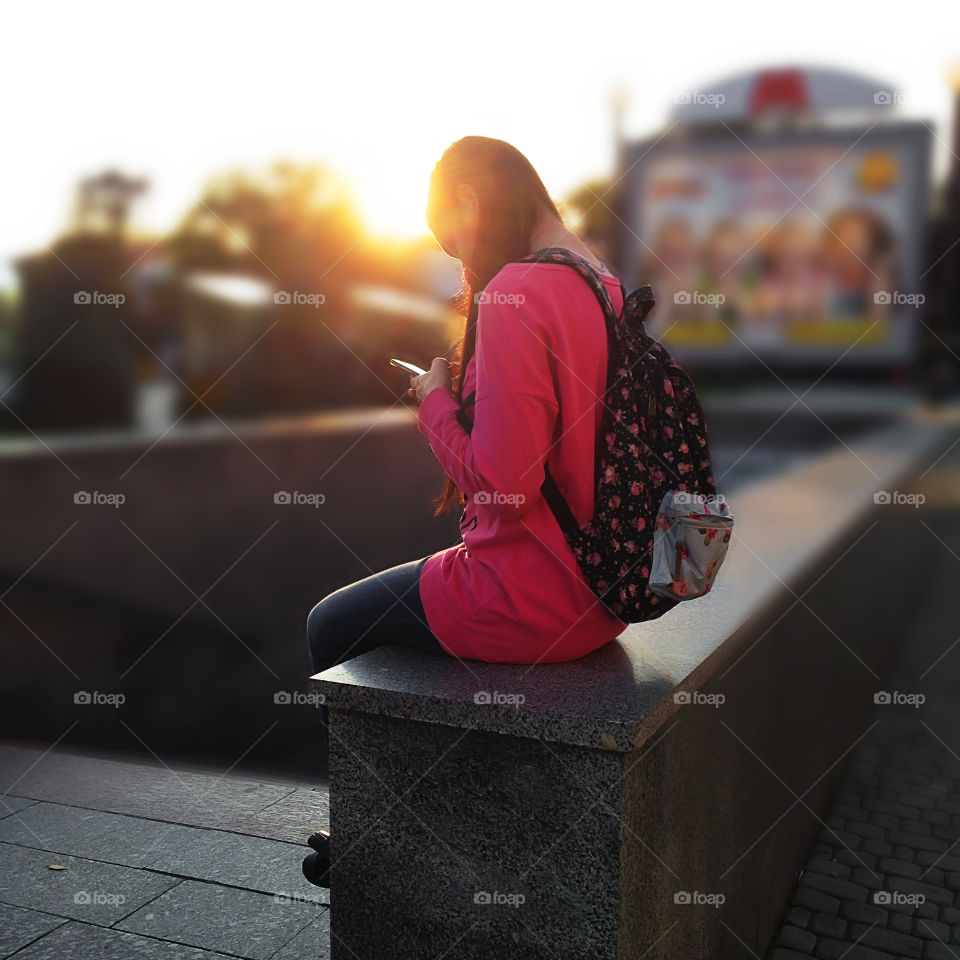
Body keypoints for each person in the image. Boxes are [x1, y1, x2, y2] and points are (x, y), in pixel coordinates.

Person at [301, 135, 629, 886]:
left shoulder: (519, 291)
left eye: (452, 240)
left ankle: (371, 834)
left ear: (473, 202)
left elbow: (506, 490)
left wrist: (436, 404)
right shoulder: (602, 284)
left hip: (530, 595)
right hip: (603, 593)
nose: (460, 264)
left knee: (329, 624)